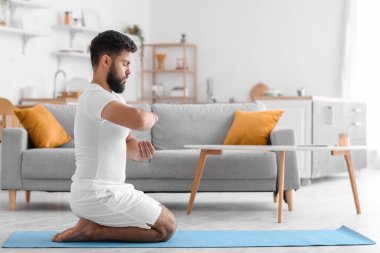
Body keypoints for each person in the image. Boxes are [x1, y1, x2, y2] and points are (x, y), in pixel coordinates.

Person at [52, 30, 176, 243]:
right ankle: (92, 231)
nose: (129, 71)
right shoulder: (95, 97)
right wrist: (154, 115)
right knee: (167, 228)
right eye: (125, 64)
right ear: (106, 61)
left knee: (164, 223)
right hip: (96, 193)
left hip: (112, 189)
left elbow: (126, 141)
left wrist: (138, 152)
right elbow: (140, 120)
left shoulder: (114, 98)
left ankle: (91, 227)